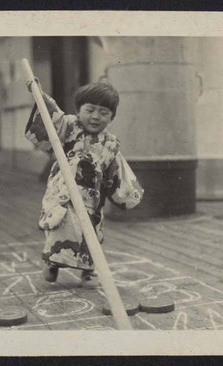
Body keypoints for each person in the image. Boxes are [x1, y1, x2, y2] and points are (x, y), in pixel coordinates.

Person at [25, 80, 144, 288]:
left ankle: (88, 272)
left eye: (104, 112)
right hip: (64, 194)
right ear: (79, 110)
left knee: (91, 234)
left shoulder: (110, 144)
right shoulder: (69, 127)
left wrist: (126, 195)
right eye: (90, 110)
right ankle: (52, 264)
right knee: (59, 228)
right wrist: (39, 95)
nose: (96, 117)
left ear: (111, 117)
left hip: (92, 198)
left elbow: (117, 171)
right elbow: (50, 116)